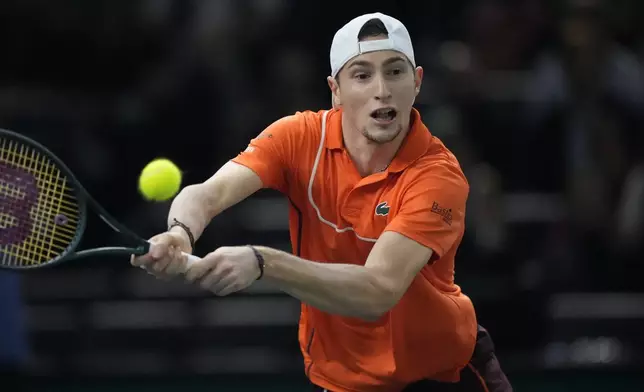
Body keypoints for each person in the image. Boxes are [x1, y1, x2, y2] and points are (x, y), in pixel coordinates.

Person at [132, 12, 512, 392]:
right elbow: (208, 193)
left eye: (395, 72)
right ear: (336, 90)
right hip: (340, 379)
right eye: (362, 75)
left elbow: (378, 289)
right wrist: (180, 233)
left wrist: (264, 263)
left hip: (439, 377)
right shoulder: (300, 138)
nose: (382, 89)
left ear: (417, 83)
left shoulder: (437, 175)